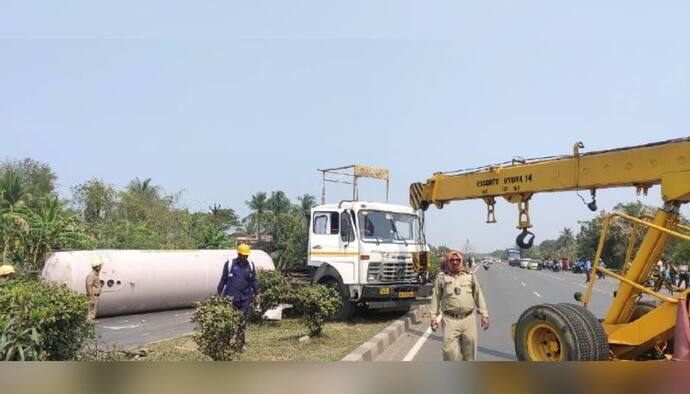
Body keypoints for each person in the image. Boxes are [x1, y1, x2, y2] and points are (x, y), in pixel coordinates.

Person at [430, 251, 489, 361]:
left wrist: (484, 315)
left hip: (468, 320)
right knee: (449, 353)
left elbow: (478, 295)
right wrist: (433, 318)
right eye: (452, 260)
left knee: (470, 354)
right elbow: (436, 298)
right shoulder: (442, 278)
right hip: (450, 320)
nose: (455, 262)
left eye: (457, 260)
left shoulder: (470, 276)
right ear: (448, 262)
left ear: (461, 261)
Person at [217, 243, 261, 352]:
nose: (245, 257)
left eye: (246, 255)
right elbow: (223, 280)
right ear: (238, 254)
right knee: (229, 320)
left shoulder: (250, 265)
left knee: (242, 321)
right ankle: (226, 342)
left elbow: (253, 281)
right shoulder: (230, 264)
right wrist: (218, 295)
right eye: (243, 255)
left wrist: (257, 293)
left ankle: (240, 343)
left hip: (245, 298)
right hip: (230, 298)